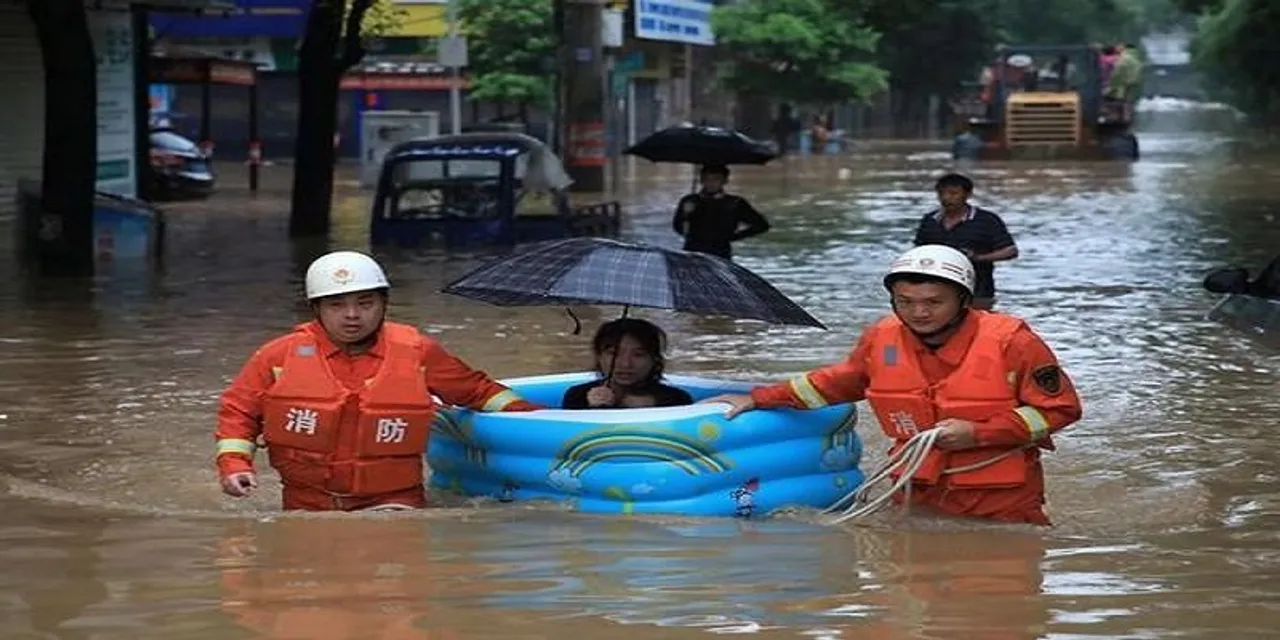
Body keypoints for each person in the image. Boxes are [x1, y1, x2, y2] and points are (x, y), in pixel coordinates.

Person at [703, 245, 1083, 526]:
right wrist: (759, 398)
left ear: (963, 300)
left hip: (1000, 501)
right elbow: (835, 383)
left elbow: (1060, 409)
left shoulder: (1013, 342)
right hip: (913, 489)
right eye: (906, 301)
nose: (919, 313)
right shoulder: (881, 337)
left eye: (934, 302)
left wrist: (978, 434)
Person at [213, 250, 542, 512]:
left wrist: (538, 417)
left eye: (365, 303)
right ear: (316, 309)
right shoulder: (277, 356)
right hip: (306, 504)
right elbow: (239, 413)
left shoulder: (418, 352)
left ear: (384, 305)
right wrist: (234, 466)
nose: (352, 315)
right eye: (337, 305)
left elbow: (478, 392)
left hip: (394, 500)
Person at [913, 173, 1018, 309]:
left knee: (977, 326)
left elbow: (1010, 251)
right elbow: (919, 251)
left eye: (953, 193)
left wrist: (978, 257)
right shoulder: (930, 220)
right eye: (942, 193)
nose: (946, 198)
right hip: (935, 290)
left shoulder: (986, 220)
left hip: (977, 291)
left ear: (967, 195)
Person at [562, 318, 694, 409]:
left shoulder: (677, 400)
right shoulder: (577, 396)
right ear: (599, 356)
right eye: (614, 354)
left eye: (638, 355)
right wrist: (596, 409)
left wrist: (649, 411)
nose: (625, 364)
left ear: (654, 359)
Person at [672, 164, 771, 260]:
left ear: (725, 181)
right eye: (707, 179)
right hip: (693, 252)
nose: (711, 183)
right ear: (701, 180)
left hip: (720, 253)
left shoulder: (735, 203)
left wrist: (732, 237)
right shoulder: (690, 201)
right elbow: (679, 228)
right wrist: (685, 215)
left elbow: (761, 225)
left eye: (716, 179)